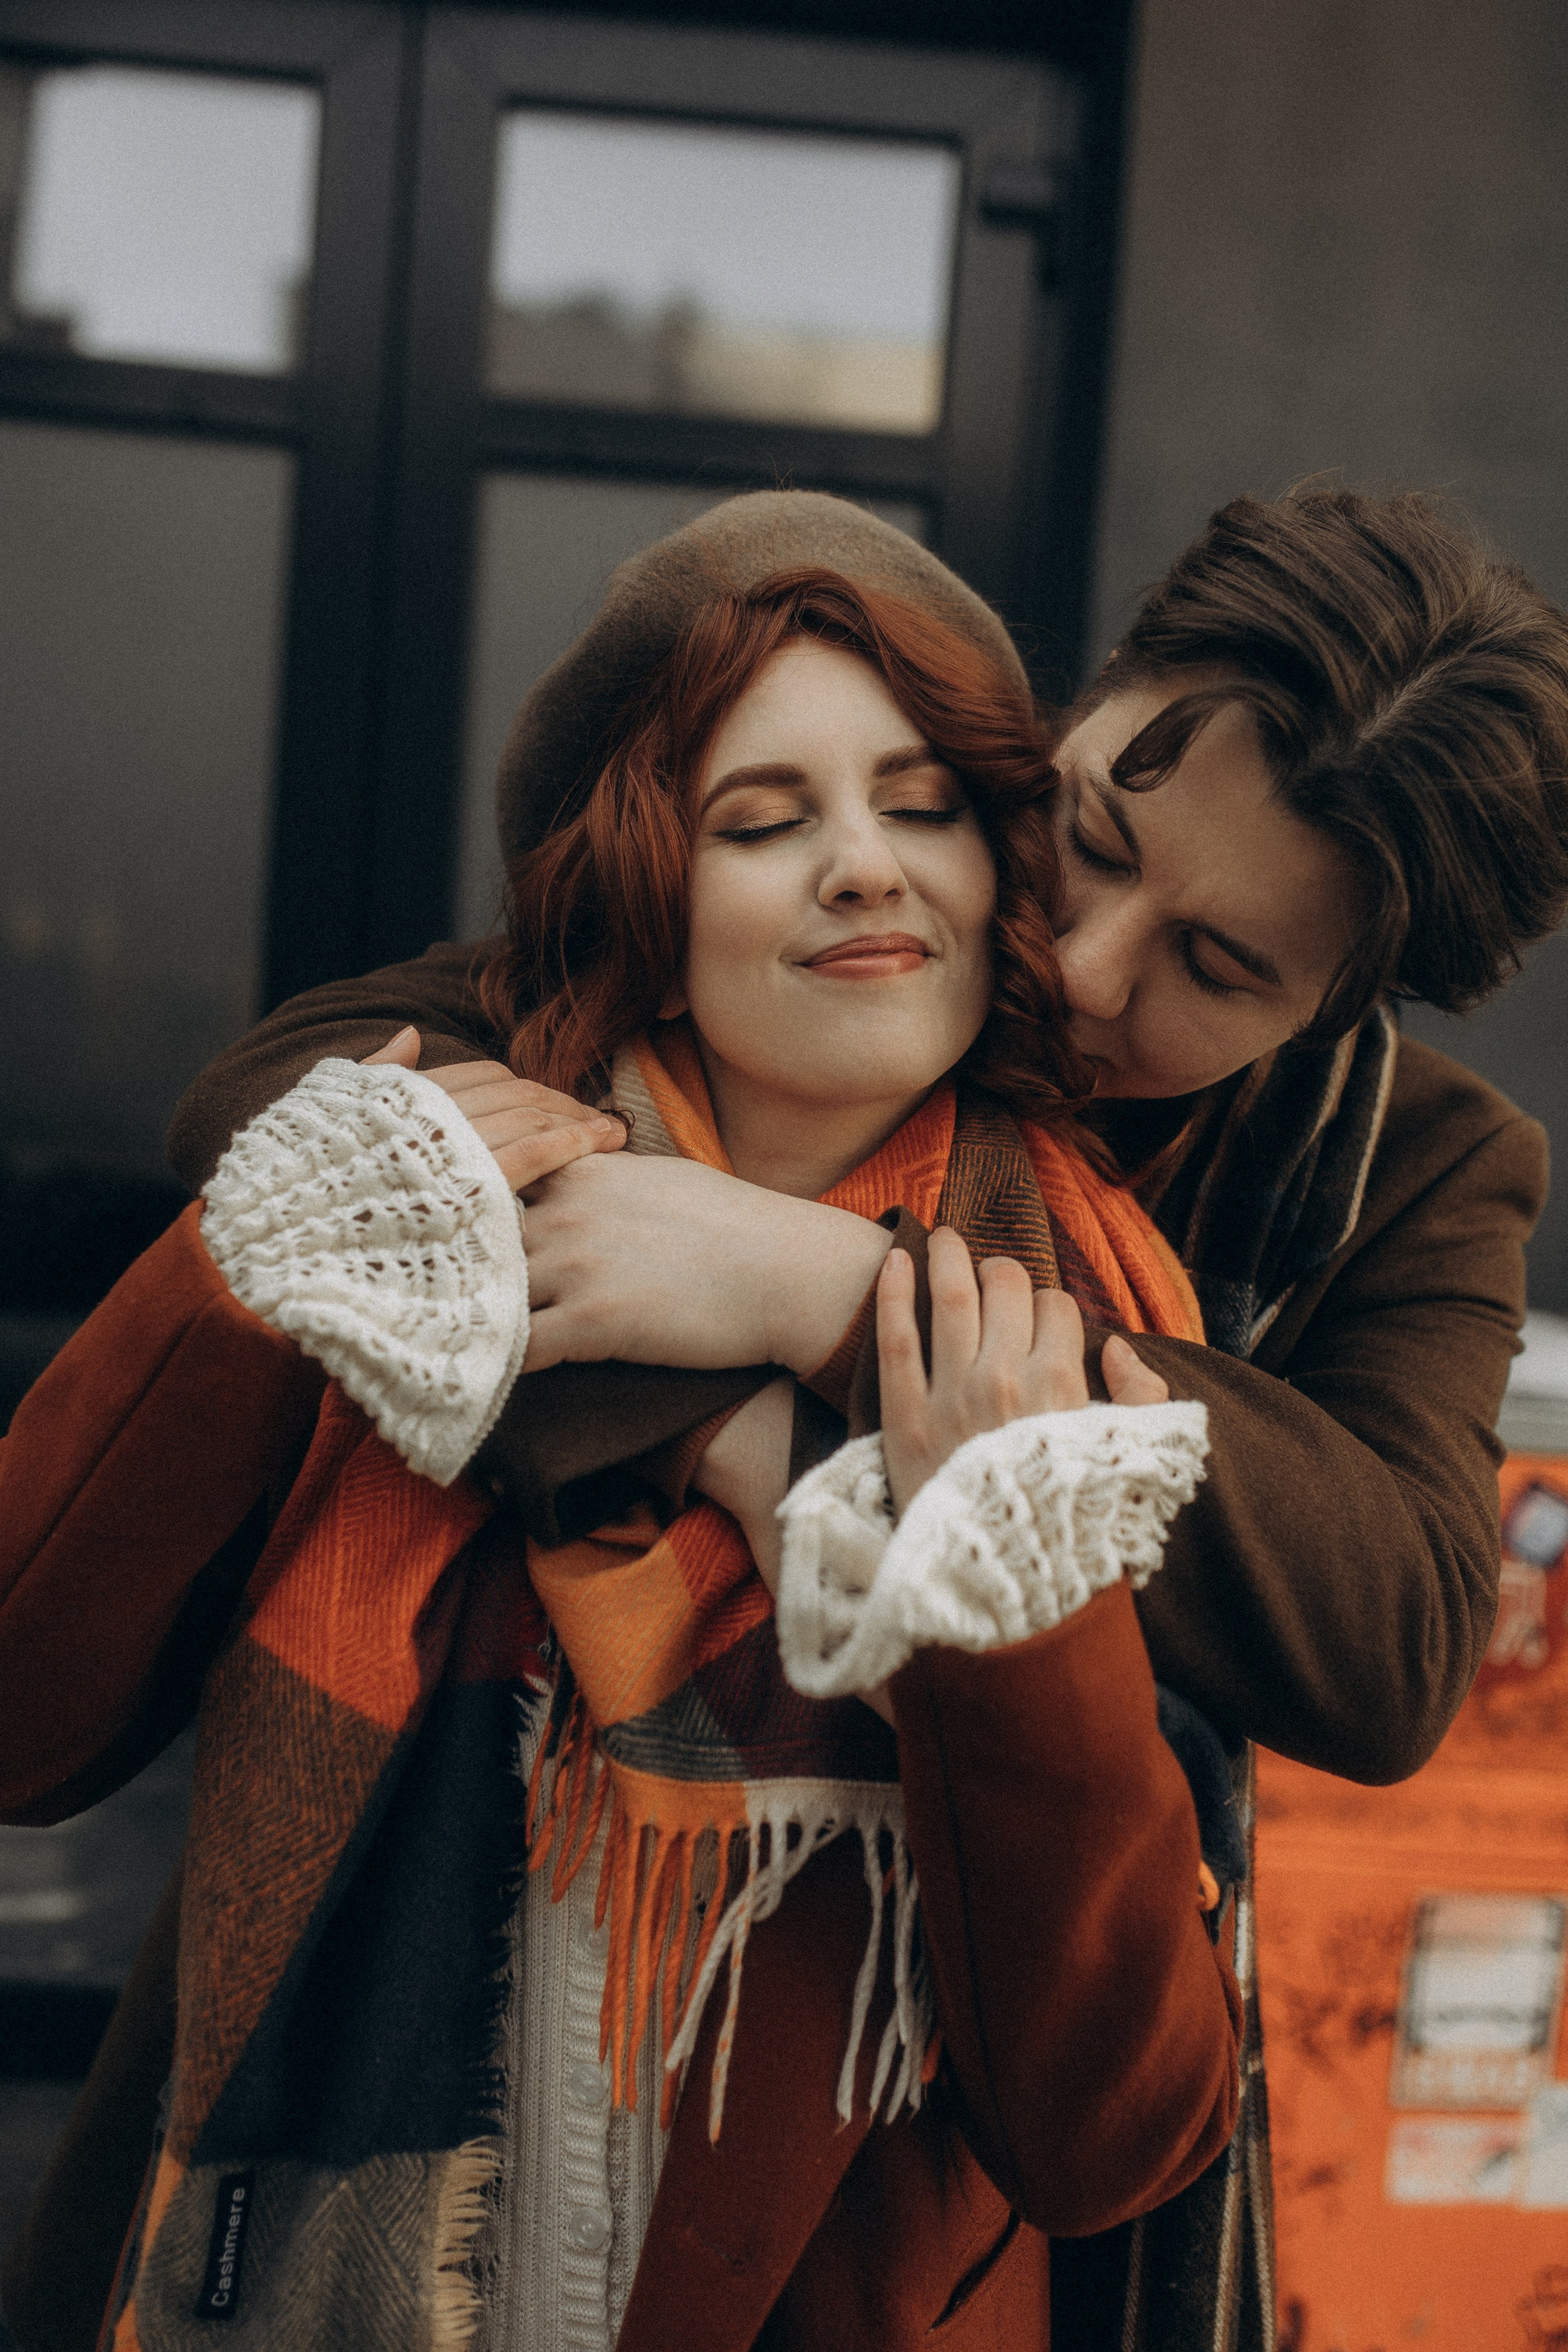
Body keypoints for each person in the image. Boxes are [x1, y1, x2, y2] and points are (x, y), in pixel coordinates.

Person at [149, 481, 1568, 2345]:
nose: (1089, 963)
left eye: (1221, 968)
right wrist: (747, 1446)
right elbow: (289, 1110)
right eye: (1091, 834)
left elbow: (1389, 1635)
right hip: (431, 1966)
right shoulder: (870, 889)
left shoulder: (1414, 1167)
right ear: (1081, 702)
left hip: (963, 2110)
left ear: (1343, 1003)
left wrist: (815, 1290)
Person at [0, 564, 1244, 2352]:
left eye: (923, 808)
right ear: (653, 896)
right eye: (764, 821)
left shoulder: (1077, 1343)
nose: (865, 865)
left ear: (1005, 882)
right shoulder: (401, 1218)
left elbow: (1113, 2135)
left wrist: (994, 1576)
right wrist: (239, 1279)